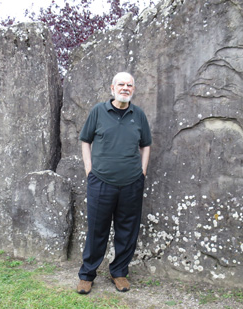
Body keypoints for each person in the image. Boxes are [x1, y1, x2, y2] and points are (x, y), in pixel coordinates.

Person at [76, 72, 152, 294]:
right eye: (121, 84)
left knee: (127, 230)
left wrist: (143, 171)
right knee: (96, 230)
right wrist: (89, 170)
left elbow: (146, 144)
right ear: (112, 87)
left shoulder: (138, 115)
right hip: (101, 182)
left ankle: (119, 272)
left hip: (131, 183)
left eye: (130, 85)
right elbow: (85, 141)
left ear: (133, 90)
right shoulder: (98, 112)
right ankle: (87, 275)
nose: (125, 88)